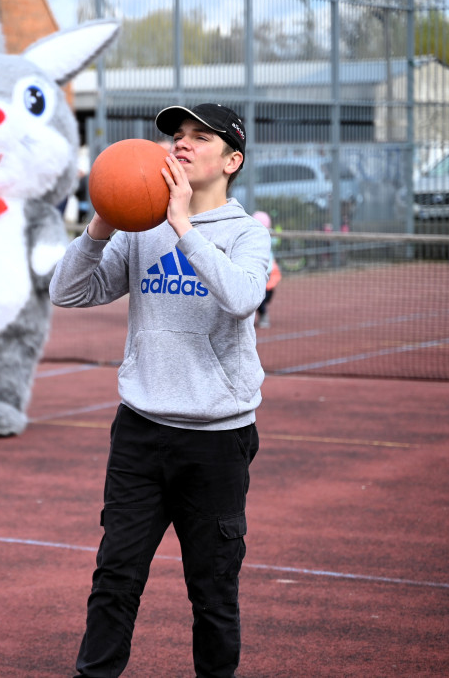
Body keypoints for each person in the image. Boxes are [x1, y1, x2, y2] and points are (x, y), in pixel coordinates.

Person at [50, 103, 270, 678]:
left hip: (217, 441)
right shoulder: (138, 229)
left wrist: (183, 228)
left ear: (232, 160)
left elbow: (244, 297)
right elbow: (68, 293)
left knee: (212, 589)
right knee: (116, 575)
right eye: (177, 135)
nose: (182, 144)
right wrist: (102, 224)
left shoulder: (247, 234)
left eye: (201, 137)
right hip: (141, 434)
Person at [252, 211, 280, 329]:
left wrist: (276, 231)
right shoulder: (251, 234)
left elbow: (276, 241)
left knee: (267, 294)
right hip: (257, 269)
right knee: (259, 296)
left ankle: (260, 309)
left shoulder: (270, 235)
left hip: (270, 269)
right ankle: (263, 314)